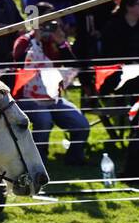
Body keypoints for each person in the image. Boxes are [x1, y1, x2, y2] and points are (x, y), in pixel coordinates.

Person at [11, 15, 88, 165]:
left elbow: (72, 65)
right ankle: (37, 161)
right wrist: (36, 39)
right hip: (27, 97)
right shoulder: (24, 41)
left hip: (53, 97)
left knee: (81, 124)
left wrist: (61, 44)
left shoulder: (56, 41)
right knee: (44, 120)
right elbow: (19, 62)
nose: (49, 28)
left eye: (53, 24)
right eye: (45, 24)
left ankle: (74, 158)